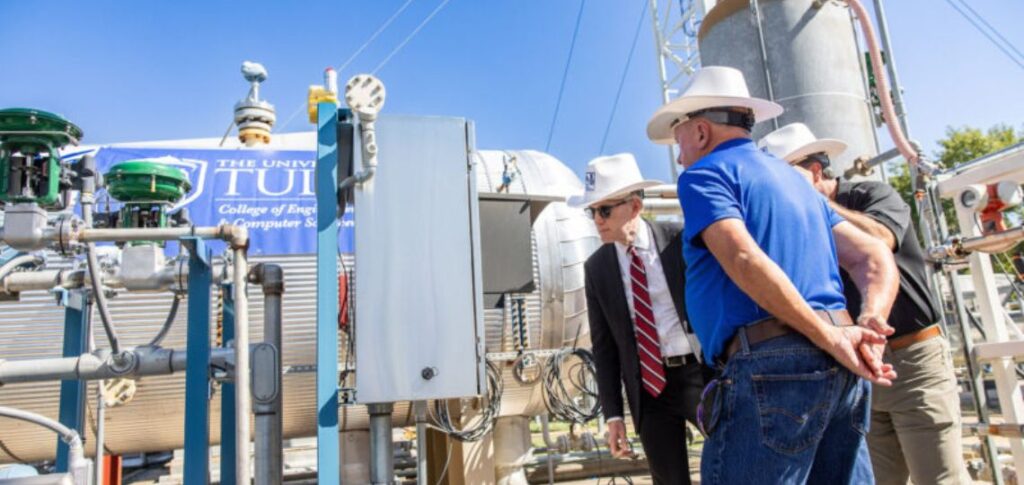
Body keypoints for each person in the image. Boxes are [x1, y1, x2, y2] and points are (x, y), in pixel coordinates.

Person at [645, 66, 900, 483]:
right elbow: (871, 253)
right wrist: (870, 321)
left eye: (680, 141)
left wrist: (829, 336)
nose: (679, 156)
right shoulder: (798, 181)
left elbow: (743, 257)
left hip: (773, 365)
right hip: (843, 362)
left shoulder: (703, 176)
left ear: (702, 132)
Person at [760, 122, 967, 485]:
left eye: (785, 179)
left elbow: (879, 240)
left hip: (914, 361)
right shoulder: (799, 225)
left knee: (939, 477)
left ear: (815, 170)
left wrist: (817, 206)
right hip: (858, 368)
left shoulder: (874, 195)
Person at [576, 153, 706, 485]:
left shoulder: (680, 241)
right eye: (593, 211)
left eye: (605, 210)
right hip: (649, 390)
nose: (598, 220)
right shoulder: (597, 268)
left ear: (634, 207)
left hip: (699, 376)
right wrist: (614, 415)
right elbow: (604, 350)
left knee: (735, 462)